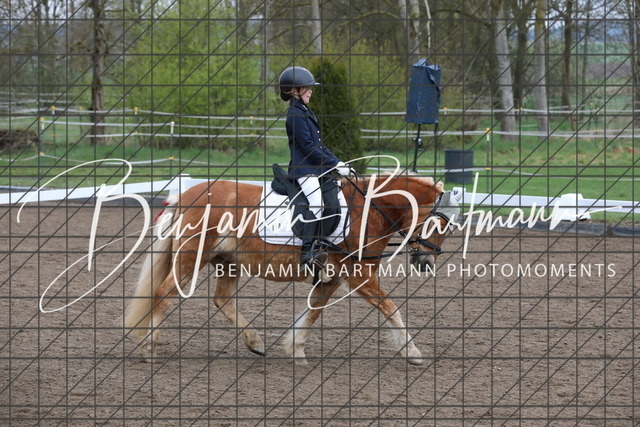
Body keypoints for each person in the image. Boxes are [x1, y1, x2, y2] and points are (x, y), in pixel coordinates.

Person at [277, 66, 353, 268]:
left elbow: (320, 146)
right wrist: (334, 164)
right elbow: (308, 148)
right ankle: (307, 252)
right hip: (304, 169)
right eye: (307, 88)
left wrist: (338, 162)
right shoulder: (295, 114)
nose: (311, 91)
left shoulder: (304, 111)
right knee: (317, 204)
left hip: (315, 168)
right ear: (295, 90)